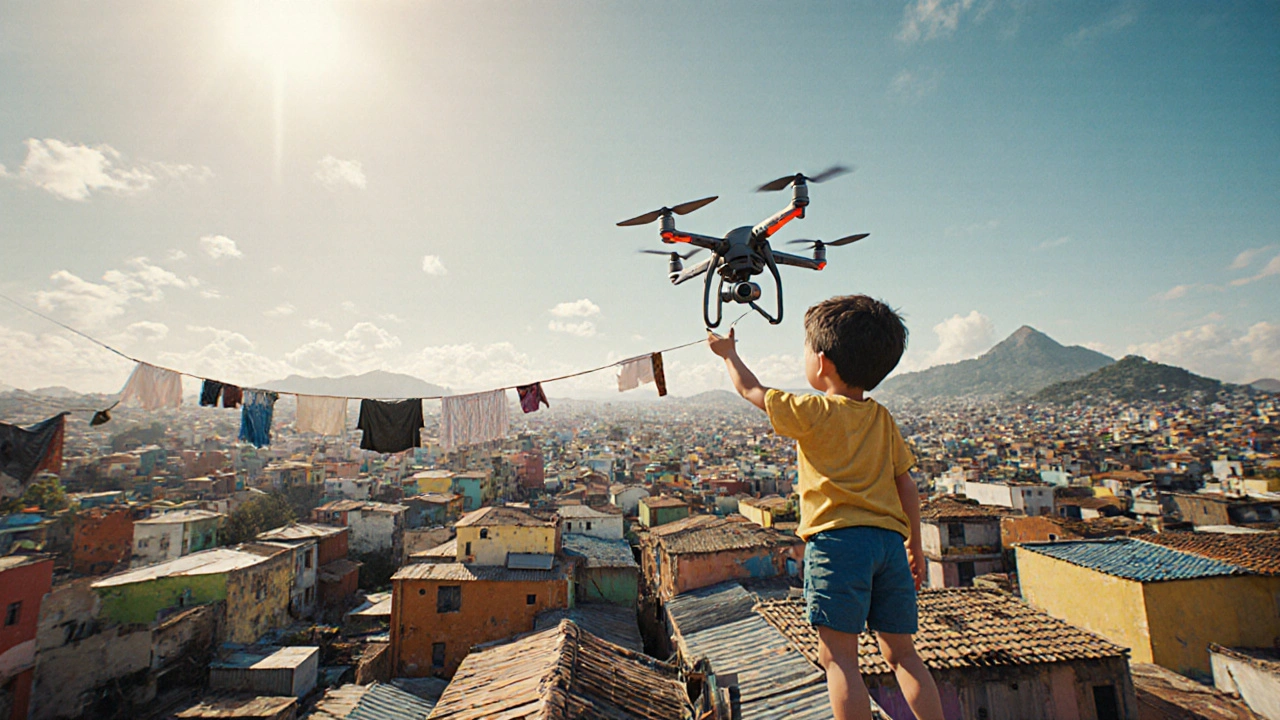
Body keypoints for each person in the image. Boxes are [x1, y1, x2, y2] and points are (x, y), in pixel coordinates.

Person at [708, 295, 944, 720]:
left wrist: (729, 354)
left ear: (821, 362)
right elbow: (906, 485)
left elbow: (750, 390)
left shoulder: (812, 410)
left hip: (838, 544)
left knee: (840, 660)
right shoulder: (882, 417)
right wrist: (914, 546)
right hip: (889, 546)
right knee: (904, 656)